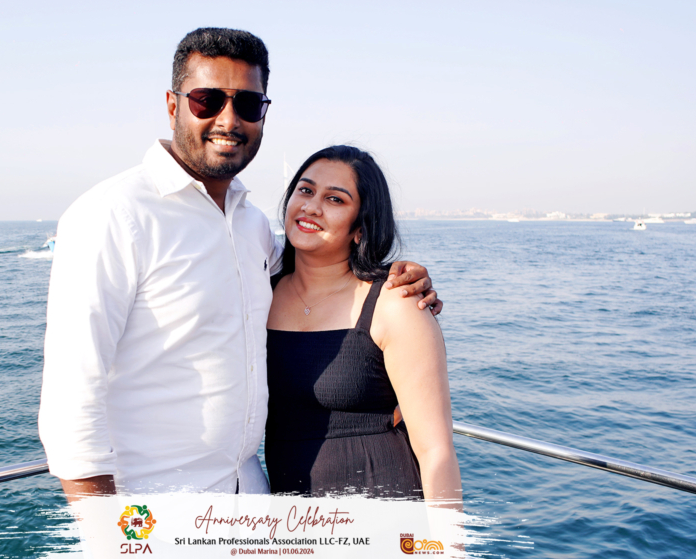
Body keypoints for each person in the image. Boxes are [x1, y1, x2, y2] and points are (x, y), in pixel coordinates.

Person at [38, 28, 440, 502]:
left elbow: (322, 276)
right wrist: (109, 535)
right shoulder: (114, 215)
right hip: (156, 509)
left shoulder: (251, 225)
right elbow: (71, 398)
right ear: (172, 104)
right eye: (207, 100)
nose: (229, 120)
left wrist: (396, 278)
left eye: (248, 104)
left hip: (252, 498)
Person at [264, 146, 462, 506]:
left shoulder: (395, 303)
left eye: (335, 199)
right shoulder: (258, 296)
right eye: (305, 190)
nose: (311, 207)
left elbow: (437, 451)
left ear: (360, 227)